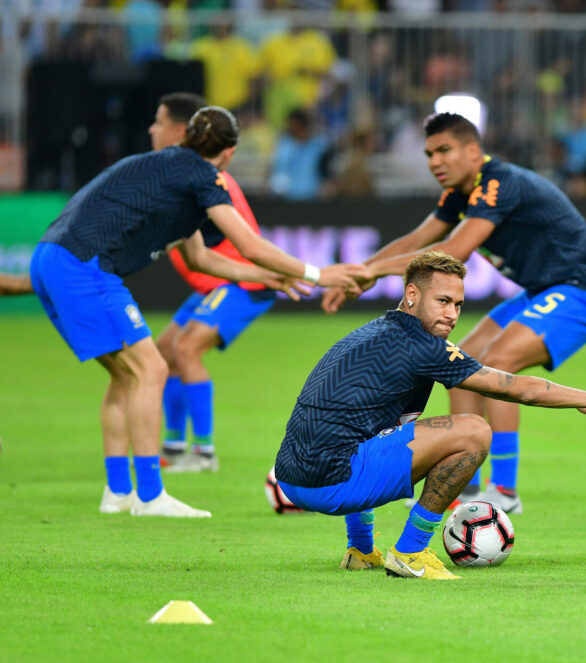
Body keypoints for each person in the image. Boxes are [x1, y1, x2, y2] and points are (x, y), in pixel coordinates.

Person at [30, 105, 367, 518]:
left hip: (50, 258)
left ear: (186, 135)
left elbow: (202, 260)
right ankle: (151, 497)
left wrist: (269, 276)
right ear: (228, 153)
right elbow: (250, 243)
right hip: (85, 266)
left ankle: (118, 492)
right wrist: (319, 273)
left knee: (126, 376)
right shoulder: (203, 175)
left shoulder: (165, 170)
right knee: (152, 369)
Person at [322, 112, 586, 515]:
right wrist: (363, 273)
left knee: (498, 363)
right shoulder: (460, 194)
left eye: (444, 150)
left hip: (581, 291)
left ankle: (505, 492)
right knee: (458, 367)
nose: (434, 161)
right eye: (429, 153)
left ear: (473, 150)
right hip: (539, 292)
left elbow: (454, 251)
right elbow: (417, 239)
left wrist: (369, 271)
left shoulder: (499, 182)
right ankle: (467, 483)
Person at [276, 252, 586, 580]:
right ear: (412, 295)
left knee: (375, 433)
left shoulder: (370, 333)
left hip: (290, 480)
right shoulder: (422, 345)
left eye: (459, 305)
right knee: (473, 431)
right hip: (331, 483)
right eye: (443, 301)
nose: (451, 314)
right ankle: (411, 552)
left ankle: (361, 551)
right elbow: (515, 387)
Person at [147, 93, 273, 473]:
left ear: (179, 131)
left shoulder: (208, 180)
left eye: (158, 120)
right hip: (214, 284)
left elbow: (246, 245)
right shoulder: (177, 173)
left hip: (241, 283)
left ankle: (203, 454)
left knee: (185, 349)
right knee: (165, 349)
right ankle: (173, 447)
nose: (152, 128)